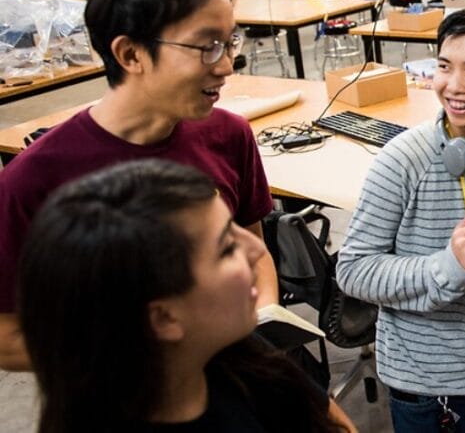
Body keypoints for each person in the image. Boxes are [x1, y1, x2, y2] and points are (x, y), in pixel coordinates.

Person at [0, 0, 278, 372]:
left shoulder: (229, 134)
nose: (226, 65)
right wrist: (155, 346)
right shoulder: (32, 181)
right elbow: (6, 337)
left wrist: (262, 328)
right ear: (130, 54)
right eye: (207, 46)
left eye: (229, 42)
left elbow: (254, 252)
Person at [17, 160, 356, 432]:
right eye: (225, 248)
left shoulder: (246, 356)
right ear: (164, 318)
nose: (255, 249)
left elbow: (332, 423)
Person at [336, 3, 465, 432]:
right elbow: (353, 272)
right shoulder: (405, 159)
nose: (453, 86)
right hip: (425, 394)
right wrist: (445, 268)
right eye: (444, 66)